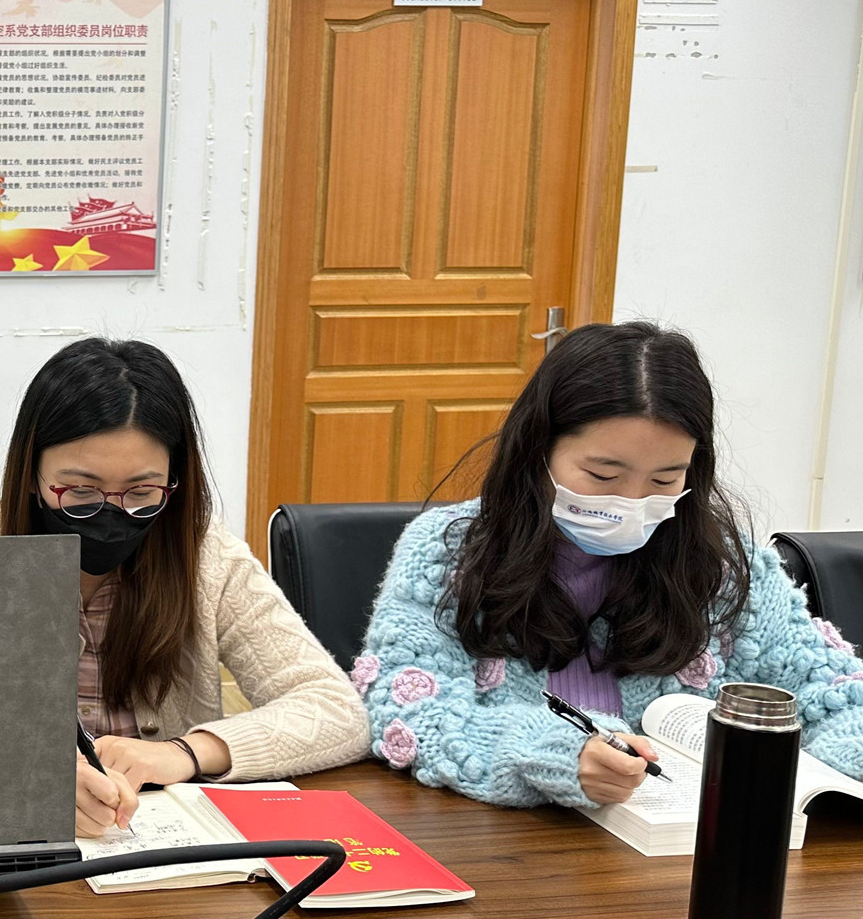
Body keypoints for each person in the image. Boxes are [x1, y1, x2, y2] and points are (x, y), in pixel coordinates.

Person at [359, 321, 863, 809]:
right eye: (603, 475)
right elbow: (404, 706)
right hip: (504, 844)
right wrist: (554, 754)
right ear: (538, 450)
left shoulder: (723, 567)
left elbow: (837, 694)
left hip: (681, 846)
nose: (633, 500)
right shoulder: (451, 551)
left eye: (665, 480)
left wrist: (839, 775)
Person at [0, 338, 369, 837]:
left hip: (166, 845)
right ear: (31, 474)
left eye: (142, 491)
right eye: (80, 490)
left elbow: (337, 712)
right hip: (23, 841)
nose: (111, 511)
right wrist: (32, 777)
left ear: (174, 480)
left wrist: (185, 752)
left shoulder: (206, 558)